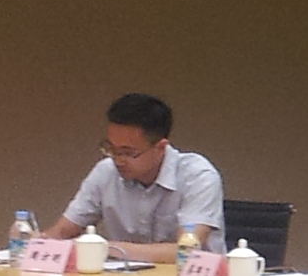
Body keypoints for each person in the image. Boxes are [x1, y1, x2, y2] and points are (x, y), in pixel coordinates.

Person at [46, 93, 223, 264]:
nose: (118, 160)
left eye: (128, 152)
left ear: (160, 147)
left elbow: (186, 252)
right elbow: (61, 233)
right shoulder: (106, 172)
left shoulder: (198, 176)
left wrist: (106, 248)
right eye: (111, 149)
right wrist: (40, 242)